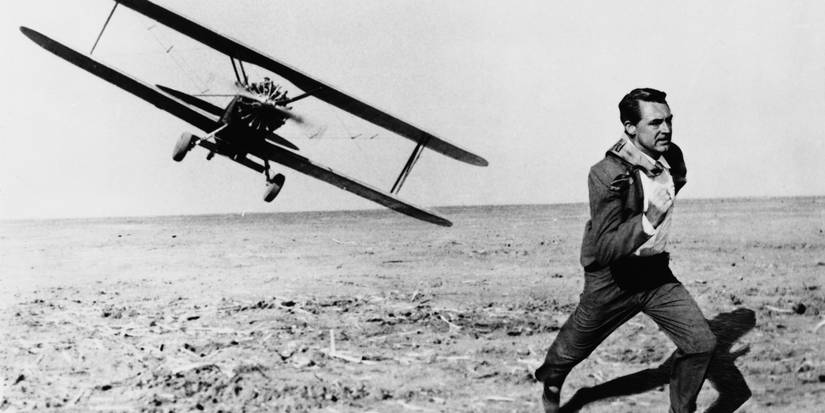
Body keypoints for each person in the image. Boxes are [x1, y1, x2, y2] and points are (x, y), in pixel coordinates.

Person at [534, 88, 717, 413]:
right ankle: (552, 378)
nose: (666, 129)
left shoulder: (672, 155)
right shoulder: (606, 174)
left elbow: (677, 179)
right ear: (630, 127)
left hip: (656, 275)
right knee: (572, 348)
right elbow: (604, 247)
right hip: (613, 280)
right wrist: (649, 220)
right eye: (656, 122)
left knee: (701, 344)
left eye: (669, 120)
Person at [560, 308, 755, 413]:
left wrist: (729, 356)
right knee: (737, 393)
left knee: (660, 376)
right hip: (706, 347)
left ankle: (588, 395)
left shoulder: (718, 326)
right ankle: (587, 395)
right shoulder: (730, 325)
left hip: (704, 344)